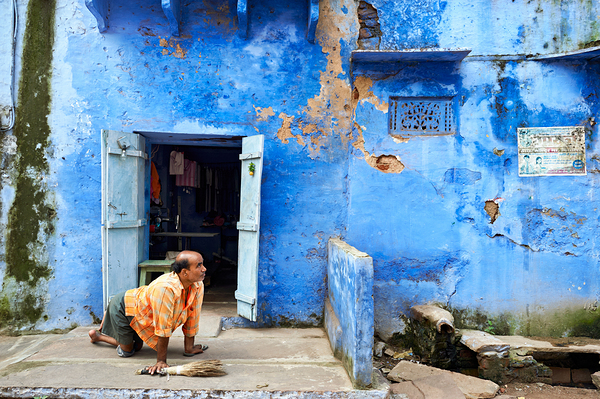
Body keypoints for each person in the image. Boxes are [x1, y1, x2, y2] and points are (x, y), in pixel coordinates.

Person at [88, 250, 207, 374]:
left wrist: (189, 348)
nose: (204, 269)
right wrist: (161, 361)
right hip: (123, 307)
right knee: (127, 351)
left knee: (138, 347)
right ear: (184, 273)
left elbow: (193, 315)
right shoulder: (165, 288)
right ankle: (98, 337)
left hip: (141, 312)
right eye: (198, 265)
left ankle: (121, 334)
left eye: (202, 264)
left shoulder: (197, 284)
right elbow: (163, 326)